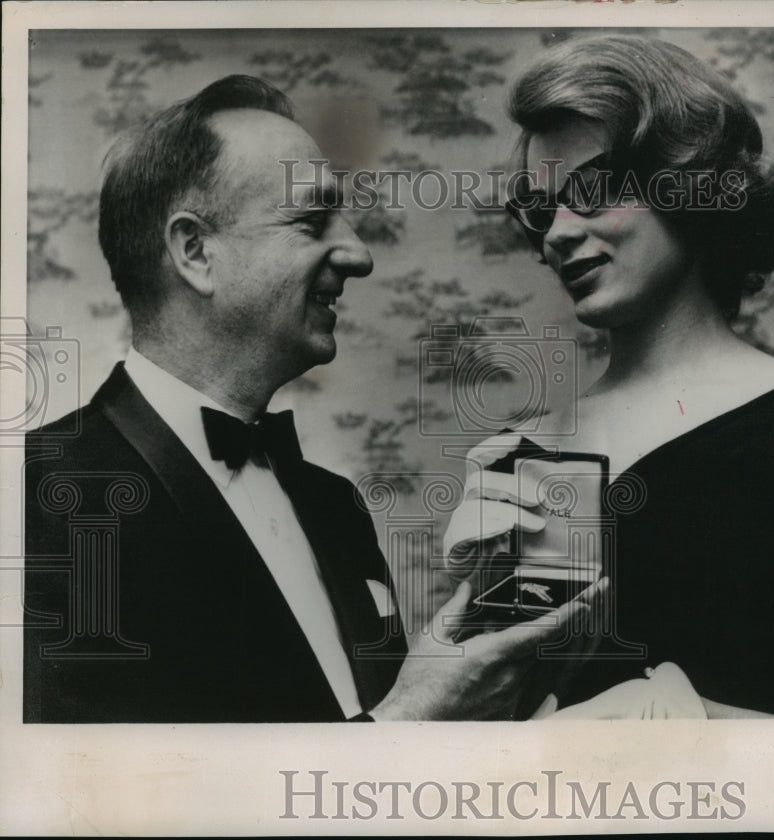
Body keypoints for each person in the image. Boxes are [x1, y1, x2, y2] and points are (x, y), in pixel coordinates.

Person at [22, 74, 602, 723]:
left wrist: (484, 626)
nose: (357, 253)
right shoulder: (40, 498)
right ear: (195, 251)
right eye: (312, 219)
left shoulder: (335, 507)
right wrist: (406, 727)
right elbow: (101, 809)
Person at [445, 36, 774, 719]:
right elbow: (492, 732)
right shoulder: (519, 453)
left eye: (595, 189)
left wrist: (679, 725)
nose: (556, 234)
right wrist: (465, 612)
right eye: (543, 209)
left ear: (690, 183)